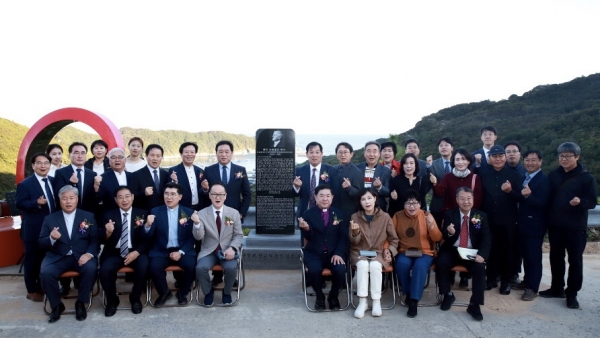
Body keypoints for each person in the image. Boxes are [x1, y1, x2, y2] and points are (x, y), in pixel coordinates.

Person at [540, 142, 598, 309]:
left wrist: (580, 202)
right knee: (555, 258)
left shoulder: (587, 177)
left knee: (575, 261)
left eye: (568, 156)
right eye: (561, 156)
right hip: (555, 224)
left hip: (575, 226)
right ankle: (556, 288)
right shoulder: (554, 174)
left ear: (577, 157)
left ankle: (572, 293)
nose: (564, 159)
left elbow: (592, 202)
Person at [39, 185, 99, 323]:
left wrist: (89, 254)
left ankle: (81, 303)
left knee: (91, 268)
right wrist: (52, 238)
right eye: (64, 198)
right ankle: (56, 305)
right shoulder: (50, 219)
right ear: (59, 201)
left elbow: (95, 240)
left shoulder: (88, 216)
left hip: (81, 255)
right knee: (46, 273)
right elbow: (41, 243)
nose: (68, 201)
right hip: (58, 256)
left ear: (77, 199)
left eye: (71, 198)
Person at [200, 140, 250, 286]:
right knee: (216, 241)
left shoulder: (240, 170)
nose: (223, 154)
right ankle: (216, 276)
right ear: (216, 153)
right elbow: (205, 194)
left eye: (226, 151)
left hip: (233, 215)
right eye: (220, 152)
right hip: (214, 214)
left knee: (231, 242)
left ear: (231, 153)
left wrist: (241, 213)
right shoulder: (209, 170)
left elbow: (247, 194)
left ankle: (231, 275)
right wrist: (204, 189)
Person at [437, 187, 491, 321]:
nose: (466, 202)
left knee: (480, 268)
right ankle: (447, 294)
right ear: (457, 200)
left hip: (471, 252)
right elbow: (443, 234)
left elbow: (486, 238)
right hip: (453, 250)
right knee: (441, 263)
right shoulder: (450, 214)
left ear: (473, 199)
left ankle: (475, 304)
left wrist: (482, 255)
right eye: (462, 199)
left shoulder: (480, 216)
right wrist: (449, 232)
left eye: (469, 198)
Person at [478, 145, 523, 294]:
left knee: (508, 252)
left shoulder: (514, 175)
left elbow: (520, 197)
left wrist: (510, 192)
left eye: (500, 156)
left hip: (508, 221)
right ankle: (490, 279)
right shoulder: (483, 174)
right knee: (490, 251)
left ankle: (506, 282)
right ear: (489, 159)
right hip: (489, 220)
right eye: (494, 156)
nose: (497, 159)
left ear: (505, 157)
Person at [145, 182, 199, 307]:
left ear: (180, 197)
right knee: (153, 266)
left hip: (182, 249)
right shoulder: (155, 212)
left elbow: (192, 238)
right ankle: (164, 293)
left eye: (173, 194)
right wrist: (147, 226)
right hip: (161, 250)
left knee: (191, 266)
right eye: (166, 194)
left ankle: (182, 293)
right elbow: (148, 236)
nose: (169, 197)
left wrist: (181, 252)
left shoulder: (189, 212)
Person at [99, 186, 150, 316]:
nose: (124, 200)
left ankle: (135, 297)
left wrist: (137, 252)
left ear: (133, 197)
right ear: (116, 200)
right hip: (114, 252)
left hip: (136, 251)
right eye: (120, 197)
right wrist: (108, 232)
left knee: (144, 266)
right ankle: (112, 300)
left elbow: (148, 239)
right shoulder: (107, 215)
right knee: (105, 270)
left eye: (127, 196)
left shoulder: (143, 214)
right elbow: (101, 239)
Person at [349, 189, 398, 318]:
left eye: (369, 198)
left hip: (378, 252)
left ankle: (376, 301)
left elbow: (394, 239)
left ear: (375, 199)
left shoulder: (385, 217)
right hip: (360, 251)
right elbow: (354, 242)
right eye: (363, 199)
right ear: (360, 202)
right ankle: (362, 301)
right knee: (363, 265)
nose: (367, 202)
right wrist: (355, 233)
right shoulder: (355, 217)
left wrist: (390, 251)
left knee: (375, 266)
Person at [299, 184, 349, 310]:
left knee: (340, 270)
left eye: (328, 196)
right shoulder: (308, 214)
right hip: (315, 252)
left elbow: (343, 236)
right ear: (315, 197)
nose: (325, 199)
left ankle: (333, 296)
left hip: (334, 253)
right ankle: (319, 297)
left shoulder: (339, 213)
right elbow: (308, 237)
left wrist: (339, 253)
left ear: (332, 197)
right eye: (321, 196)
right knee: (314, 270)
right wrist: (306, 229)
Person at [393, 190, 441, 318]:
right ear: (404, 204)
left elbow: (437, 238)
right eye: (408, 203)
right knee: (401, 265)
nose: (412, 206)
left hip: (425, 252)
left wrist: (431, 226)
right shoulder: (397, 216)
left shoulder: (426, 215)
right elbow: (391, 236)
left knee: (419, 267)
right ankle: (409, 291)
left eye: (415, 203)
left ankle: (414, 300)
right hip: (405, 251)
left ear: (420, 204)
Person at [194, 183, 244, 306]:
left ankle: (226, 292)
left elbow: (239, 235)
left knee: (231, 268)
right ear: (210, 196)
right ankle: (208, 291)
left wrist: (232, 248)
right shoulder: (201, 214)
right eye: (214, 194)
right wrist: (196, 224)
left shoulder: (233, 213)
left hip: (227, 250)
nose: (218, 197)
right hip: (209, 251)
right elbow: (198, 237)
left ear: (225, 196)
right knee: (200, 268)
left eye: (221, 194)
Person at [15, 152, 55, 302]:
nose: (43, 166)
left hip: (51, 228)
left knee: (46, 259)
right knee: (32, 260)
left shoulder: (53, 181)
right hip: (33, 229)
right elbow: (20, 203)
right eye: (39, 163)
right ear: (33, 166)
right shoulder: (25, 184)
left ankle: (44, 286)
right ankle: (32, 290)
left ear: (50, 166)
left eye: (46, 163)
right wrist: (36, 203)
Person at [515, 150, 550, 301]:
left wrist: (528, 195)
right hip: (522, 223)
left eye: (533, 160)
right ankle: (527, 281)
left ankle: (533, 288)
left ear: (540, 161)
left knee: (534, 257)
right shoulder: (524, 177)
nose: (530, 163)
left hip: (535, 225)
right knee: (525, 255)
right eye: (527, 160)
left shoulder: (543, 180)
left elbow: (542, 203)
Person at [53, 142, 98, 213]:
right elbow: (58, 193)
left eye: (83, 153)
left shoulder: (92, 174)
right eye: (76, 153)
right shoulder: (61, 172)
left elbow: (93, 198)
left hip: (87, 213)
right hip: (67, 213)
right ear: (69, 155)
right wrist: (71, 183)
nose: (80, 156)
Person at [131, 144, 169, 212]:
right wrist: (144, 193)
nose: (155, 158)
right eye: (152, 155)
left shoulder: (166, 174)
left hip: (163, 212)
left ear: (162, 157)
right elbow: (132, 197)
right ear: (146, 156)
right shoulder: (136, 175)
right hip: (145, 213)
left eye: (158, 156)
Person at [169, 142, 206, 211]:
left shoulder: (200, 171)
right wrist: (175, 181)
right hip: (182, 208)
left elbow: (202, 190)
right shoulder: (173, 171)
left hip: (199, 208)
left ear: (195, 154)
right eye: (186, 152)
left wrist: (205, 189)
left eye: (192, 152)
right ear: (181, 154)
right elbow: (170, 190)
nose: (189, 154)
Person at [95, 148, 133, 214]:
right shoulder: (103, 178)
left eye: (120, 157)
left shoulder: (132, 176)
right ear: (109, 161)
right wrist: (96, 188)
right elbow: (98, 199)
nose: (117, 160)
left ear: (125, 160)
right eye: (113, 157)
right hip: (110, 215)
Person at [356, 141, 391, 211]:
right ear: (364, 153)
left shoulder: (386, 171)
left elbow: (387, 192)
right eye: (368, 151)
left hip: (378, 208)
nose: (371, 154)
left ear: (379, 154)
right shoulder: (357, 168)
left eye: (374, 151)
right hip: (359, 208)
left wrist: (380, 187)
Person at [427, 137, 454, 227]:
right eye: (441, 145)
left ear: (452, 148)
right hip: (438, 205)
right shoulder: (433, 164)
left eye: (446, 145)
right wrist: (429, 166)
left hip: (455, 204)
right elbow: (431, 181)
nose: (443, 147)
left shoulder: (458, 162)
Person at [334, 142, 363, 220]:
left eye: (346, 152)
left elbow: (360, 194)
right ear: (336, 154)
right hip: (333, 210)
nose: (343, 155)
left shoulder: (357, 172)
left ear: (351, 154)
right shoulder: (333, 169)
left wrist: (349, 188)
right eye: (340, 152)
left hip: (349, 212)